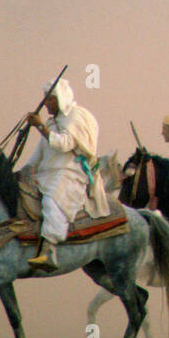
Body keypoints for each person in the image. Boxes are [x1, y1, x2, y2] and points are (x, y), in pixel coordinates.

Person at [23, 78, 109, 269]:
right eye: (45, 99)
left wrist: (40, 127)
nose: (46, 103)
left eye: (50, 100)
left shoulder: (75, 117)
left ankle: (49, 251)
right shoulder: (52, 122)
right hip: (47, 173)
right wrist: (23, 171)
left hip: (70, 174)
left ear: (60, 99)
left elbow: (65, 144)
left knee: (51, 200)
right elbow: (40, 153)